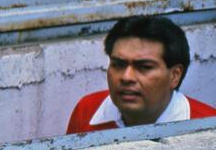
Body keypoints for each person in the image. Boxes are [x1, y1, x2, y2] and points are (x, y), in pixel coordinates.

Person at [66, 16, 214, 133]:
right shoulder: (88, 109)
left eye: (144, 67)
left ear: (175, 75)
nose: (127, 77)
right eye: (118, 64)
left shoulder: (208, 129)